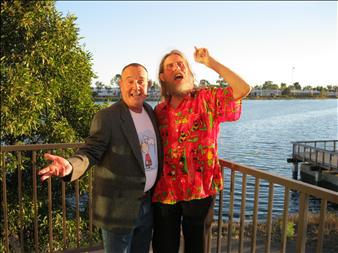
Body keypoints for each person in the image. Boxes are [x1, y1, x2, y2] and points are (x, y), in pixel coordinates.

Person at [38, 63, 163, 253]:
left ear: (149, 85)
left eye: (141, 81)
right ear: (121, 84)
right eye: (130, 81)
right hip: (118, 209)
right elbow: (91, 151)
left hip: (147, 205)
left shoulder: (151, 113)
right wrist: (70, 166)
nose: (135, 87)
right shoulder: (107, 117)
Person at [152, 47, 251, 253]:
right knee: (164, 245)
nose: (176, 67)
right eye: (170, 66)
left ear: (188, 71)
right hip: (165, 190)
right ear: (163, 77)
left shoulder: (207, 98)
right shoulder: (159, 111)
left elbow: (243, 89)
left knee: (196, 246)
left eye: (181, 64)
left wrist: (210, 62)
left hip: (200, 189)